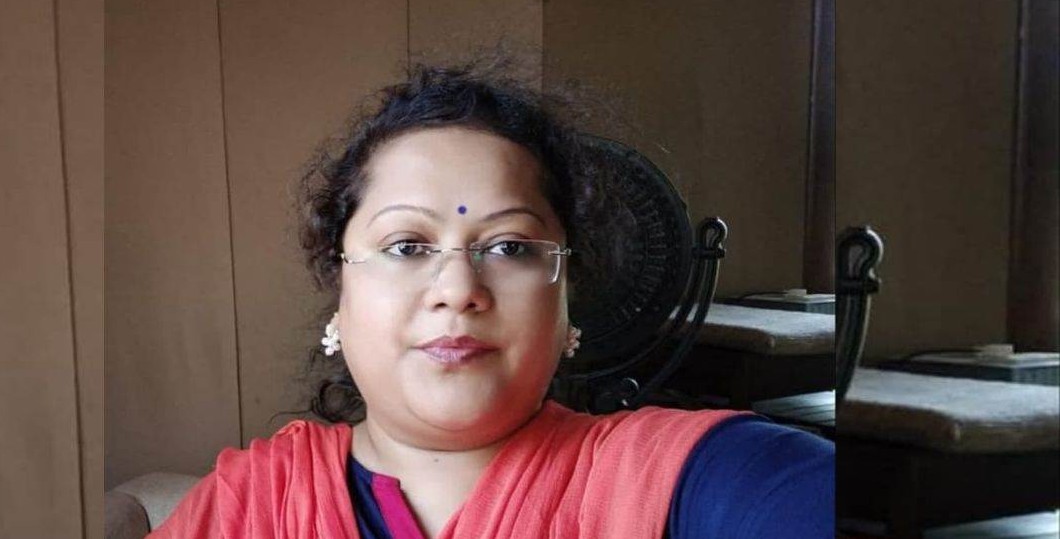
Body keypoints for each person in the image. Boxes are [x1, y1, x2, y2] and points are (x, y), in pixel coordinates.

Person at [150, 62, 833, 538]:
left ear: (566, 299)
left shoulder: (683, 480)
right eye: (407, 245)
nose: (458, 290)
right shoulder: (250, 505)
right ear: (341, 290)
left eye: (509, 246)